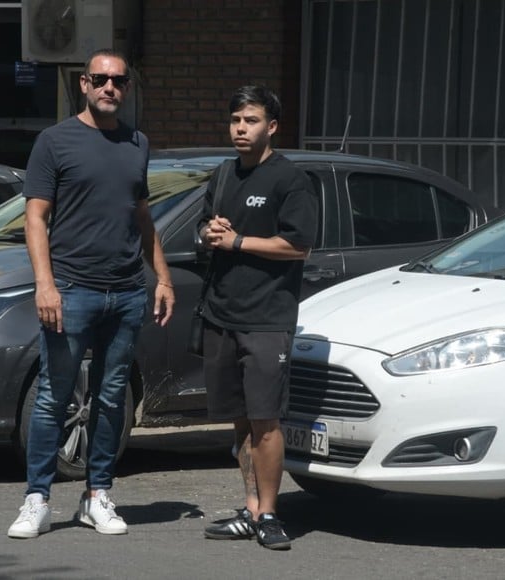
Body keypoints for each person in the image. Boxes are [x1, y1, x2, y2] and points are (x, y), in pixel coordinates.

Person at [7, 48, 175, 539]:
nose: (109, 88)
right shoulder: (55, 141)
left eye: (118, 80)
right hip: (72, 290)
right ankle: (36, 499)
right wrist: (46, 284)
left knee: (109, 399)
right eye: (100, 79)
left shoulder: (137, 143)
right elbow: (35, 217)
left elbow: (141, 217)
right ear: (83, 83)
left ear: (126, 87)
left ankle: (98, 495)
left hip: (125, 293)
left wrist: (161, 277)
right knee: (53, 399)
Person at [198, 86, 317, 550]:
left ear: (272, 126)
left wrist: (238, 242)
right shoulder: (224, 174)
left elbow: (298, 245)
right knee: (241, 421)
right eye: (234, 120)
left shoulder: (290, 179)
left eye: (249, 120)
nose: (240, 128)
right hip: (222, 313)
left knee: (266, 420)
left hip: (267, 318)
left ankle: (270, 513)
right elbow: (207, 227)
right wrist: (210, 231)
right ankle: (249, 508)